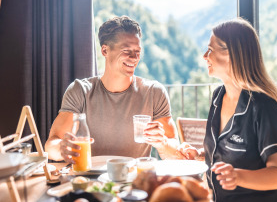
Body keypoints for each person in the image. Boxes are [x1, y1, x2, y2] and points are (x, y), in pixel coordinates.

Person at [178, 18, 277, 202]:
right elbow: (224, 153)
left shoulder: (263, 106)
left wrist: (238, 176)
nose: (204, 56)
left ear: (232, 54)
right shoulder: (218, 96)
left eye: (210, 49)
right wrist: (199, 155)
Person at [45, 16, 183, 164]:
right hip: (90, 180)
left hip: (135, 181)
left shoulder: (154, 92)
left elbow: (175, 152)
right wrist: (62, 148)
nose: (134, 57)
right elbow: (50, 146)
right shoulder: (80, 91)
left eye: (137, 51)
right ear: (105, 50)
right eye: (126, 50)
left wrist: (162, 144)